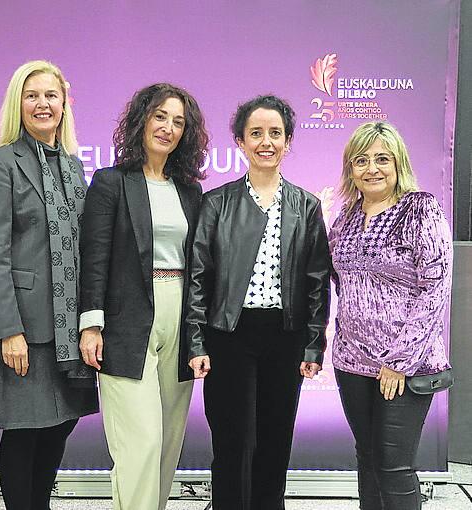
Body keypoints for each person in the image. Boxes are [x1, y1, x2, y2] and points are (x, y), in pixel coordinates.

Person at [186, 95, 331, 510]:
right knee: (232, 441)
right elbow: (200, 276)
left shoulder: (306, 206)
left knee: (274, 439)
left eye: (275, 133)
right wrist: (196, 342)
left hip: (285, 338)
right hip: (228, 335)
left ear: (288, 142)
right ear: (240, 142)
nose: (266, 141)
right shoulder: (217, 202)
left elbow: (317, 281)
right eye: (256, 133)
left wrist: (312, 343)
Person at [78, 83, 209, 510]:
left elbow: (201, 266)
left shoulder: (190, 191)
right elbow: (94, 258)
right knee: (142, 443)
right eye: (160, 117)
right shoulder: (111, 183)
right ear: (141, 120)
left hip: (180, 315)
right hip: (125, 320)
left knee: (169, 442)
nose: (168, 128)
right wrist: (91, 324)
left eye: (178, 122)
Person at [0, 60, 98, 510]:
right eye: (32, 96)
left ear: (64, 104)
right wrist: (9, 329)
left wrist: (91, 318)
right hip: (24, 327)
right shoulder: (0, 163)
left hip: (69, 326)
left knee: (61, 423)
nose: (42, 104)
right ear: (18, 105)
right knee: (24, 429)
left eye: (51, 95)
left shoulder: (72, 165)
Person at [329, 121, 453, 510]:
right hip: (351, 364)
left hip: (405, 368)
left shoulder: (420, 209)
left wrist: (398, 362)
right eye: (361, 160)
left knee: (393, 467)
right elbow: (340, 281)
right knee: (367, 460)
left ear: (398, 163)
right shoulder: (344, 218)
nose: (372, 169)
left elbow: (434, 289)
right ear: (351, 169)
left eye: (382, 159)